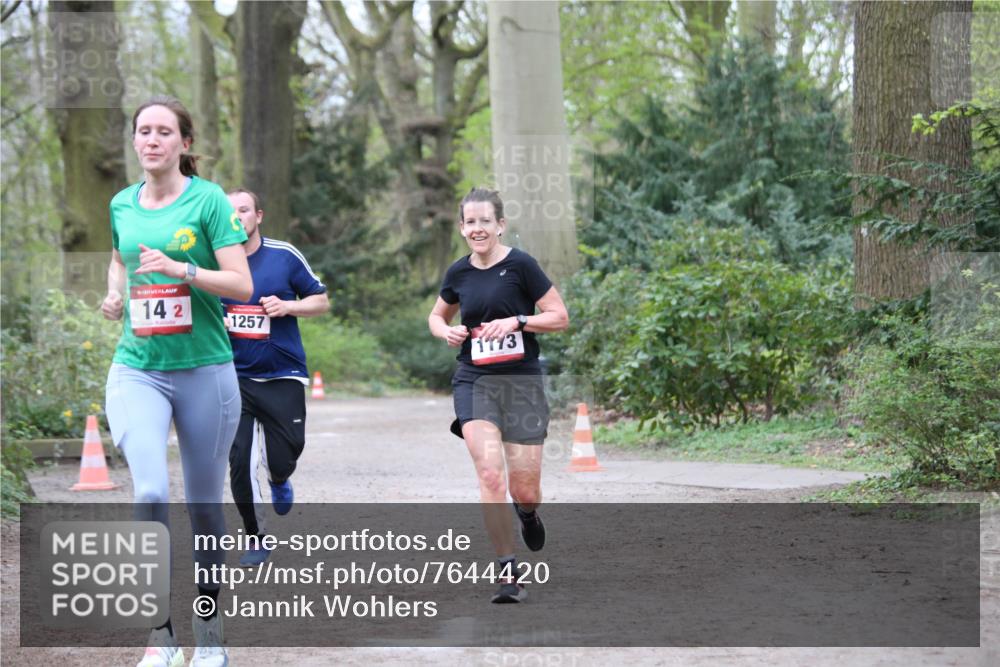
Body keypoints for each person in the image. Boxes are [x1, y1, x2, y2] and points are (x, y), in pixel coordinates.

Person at [101, 96, 251, 667]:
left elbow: (240, 283)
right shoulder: (120, 203)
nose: (153, 139)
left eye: (165, 131)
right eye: (144, 131)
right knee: (150, 493)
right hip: (138, 368)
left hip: (205, 371)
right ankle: (159, 638)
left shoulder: (209, 201)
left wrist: (183, 269)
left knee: (207, 508)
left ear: (184, 144)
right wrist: (116, 291)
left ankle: (210, 637)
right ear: (135, 141)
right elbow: (120, 257)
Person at [428, 187, 569, 603]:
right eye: (470, 222)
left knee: (524, 488)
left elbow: (559, 317)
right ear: (462, 228)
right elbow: (437, 314)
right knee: (490, 474)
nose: (477, 229)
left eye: (484, 221)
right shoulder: (458, 273)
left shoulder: (522, 266)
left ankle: (527, 513)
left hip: (522, 382)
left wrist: (519, 322)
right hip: (475, 380)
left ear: (500, 225)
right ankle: (508, 571)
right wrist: (445, 330)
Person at [221, 188, 329, 567]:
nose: (236, 217)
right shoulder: (211, 259)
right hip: (234, 377)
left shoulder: (283, 256)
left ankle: (280, 479)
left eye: (244, 210)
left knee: (286, 453)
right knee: (240, 460)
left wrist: (288, 306)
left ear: (259, 216)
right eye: (229, 210)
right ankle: (255, 536)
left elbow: (321, 300)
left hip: (283, 374)